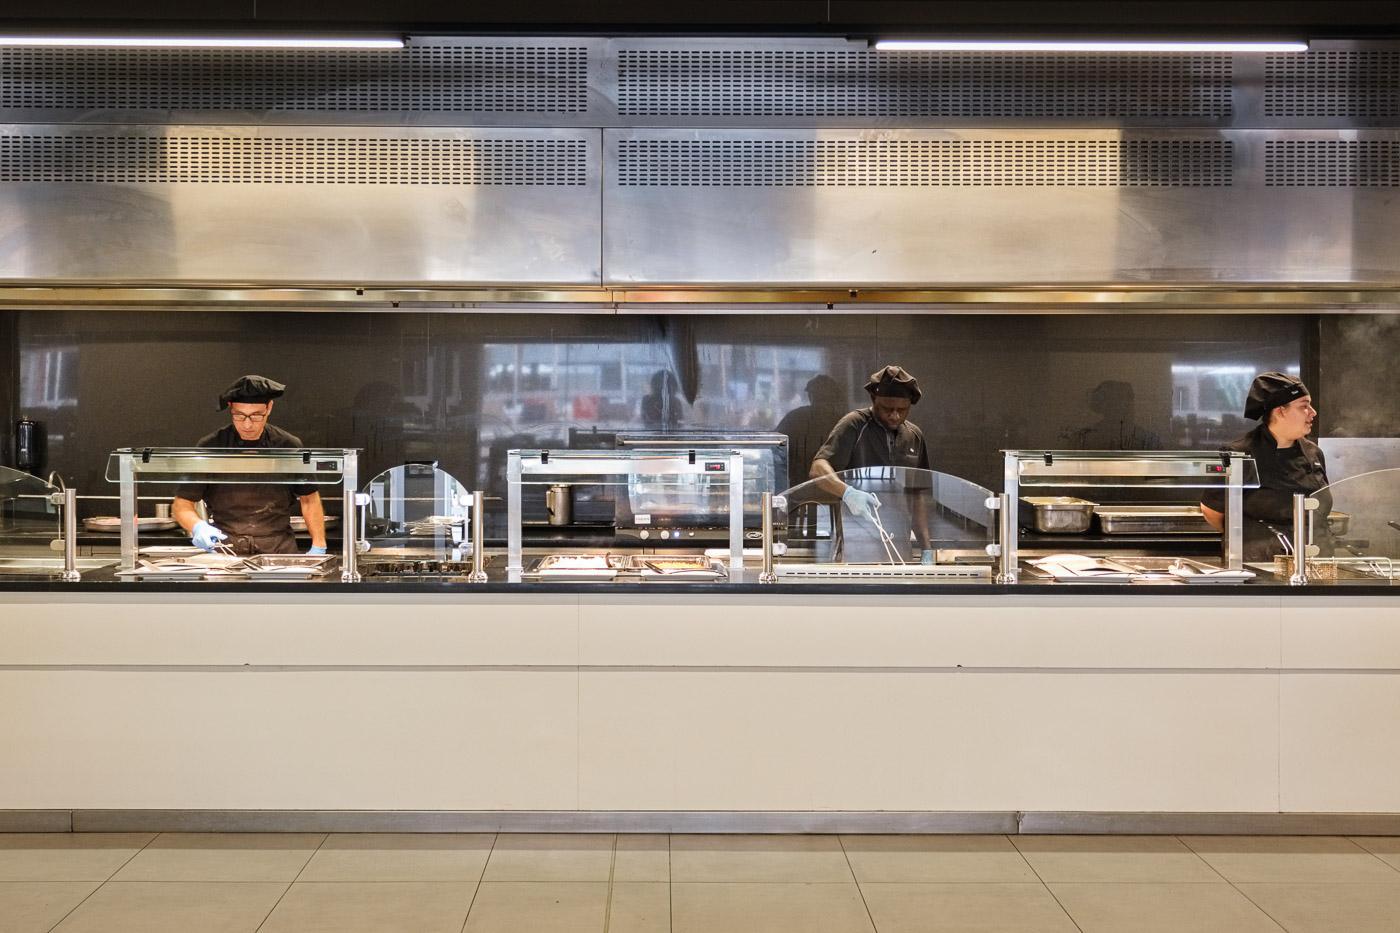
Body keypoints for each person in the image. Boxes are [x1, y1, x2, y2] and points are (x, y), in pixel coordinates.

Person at [172, 375, 329, 556]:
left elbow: (309, 500)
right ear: (230, 407)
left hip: (278, 547)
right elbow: (181, 505)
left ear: (269, 408)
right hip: (225, 546)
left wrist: (319, 545)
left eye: (256, 415)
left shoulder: (289, 445)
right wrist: (198, 526)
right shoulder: (210, 446)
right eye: (239, 415)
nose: (247, 424)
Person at [1199, 372, 1332, 563]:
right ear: (1280, 411)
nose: (1313, 412)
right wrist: (1250, 535)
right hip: (1261, 564)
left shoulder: (1314, 454)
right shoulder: (1240, 454)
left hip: (1316, 562)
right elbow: (1211, 510)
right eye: (1304, 406)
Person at [808, 365, 933, 563]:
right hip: (855, 537)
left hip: (899, 540)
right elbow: (818, 468)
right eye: (887, 409)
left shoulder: (914, 436)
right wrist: (848, 493)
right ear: (874, 400)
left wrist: (927, 549)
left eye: (902, 410)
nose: (895, 415)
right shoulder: (854, 425)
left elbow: (917, 496)